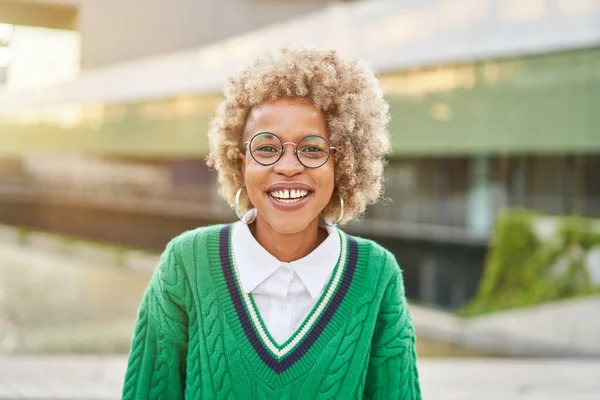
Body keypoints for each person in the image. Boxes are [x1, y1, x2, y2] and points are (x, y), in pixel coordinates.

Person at [122, 46, 421, 399]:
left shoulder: (376, 274)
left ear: (343, 162)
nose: (288, 166)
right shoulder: (186, 263)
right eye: (266, 148)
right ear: (240, 159)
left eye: (312, 149)